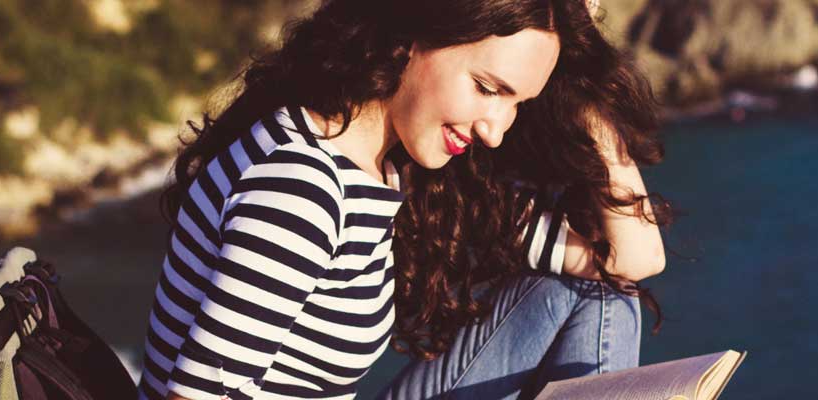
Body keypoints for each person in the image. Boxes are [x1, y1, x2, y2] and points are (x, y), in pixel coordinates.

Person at [139, 0, 672, 398]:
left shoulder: (395, 171)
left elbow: (632, 259)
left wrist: (585, 94)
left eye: (519, 103)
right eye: (488, 89)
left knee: (601, 297)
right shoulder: (301, 190)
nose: (495, 131)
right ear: (412, 39)